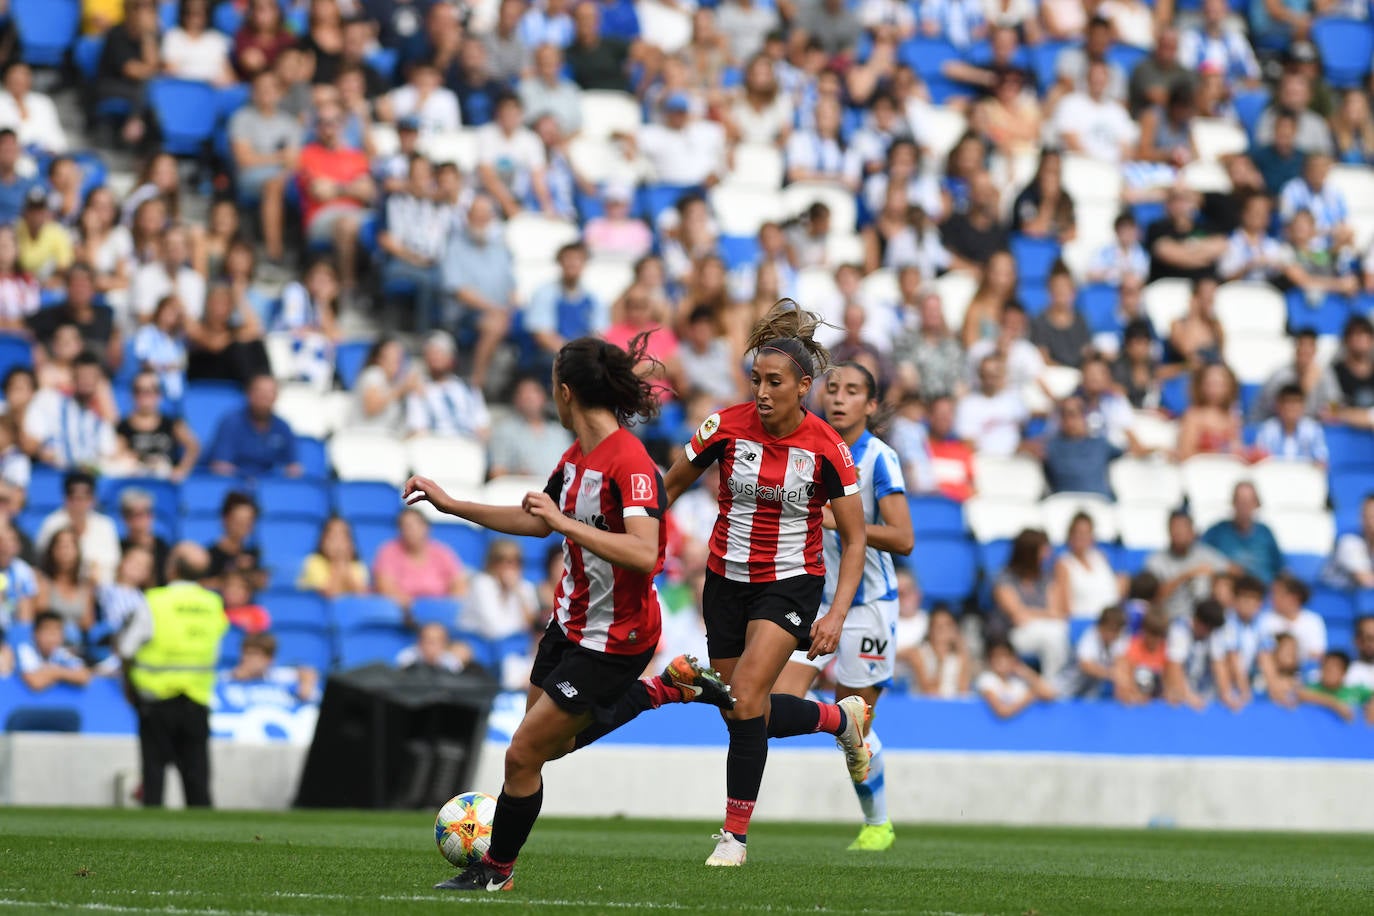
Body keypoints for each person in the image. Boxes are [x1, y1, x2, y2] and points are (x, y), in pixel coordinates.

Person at [403, 333, 733, 893]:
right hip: (570, 624)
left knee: (522, 753)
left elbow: (643, 551)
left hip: (617, 639)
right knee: (544, 749)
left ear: (565, 392)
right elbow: (537, 518)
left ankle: (496, 872)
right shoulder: (576, 457)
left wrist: (566, 526)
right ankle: (667, 688)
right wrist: (452, 504)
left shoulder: (630, 462)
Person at [772, 362, 914, 852]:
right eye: (832, 388)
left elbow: (903, 537)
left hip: (868, 606)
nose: (839, 398)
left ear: (870, 405)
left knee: (858, 730)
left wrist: (840, 521)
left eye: (852, 391)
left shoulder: (879, 458)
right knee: (768, 707)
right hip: (812, 604)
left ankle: (878, 824)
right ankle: (834, 719)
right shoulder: (806, 449)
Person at [116, 542, 228, 808]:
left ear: (172, 568)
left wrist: (130, 685)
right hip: (196, 699)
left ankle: (151, 845)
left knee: (154, 779)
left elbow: (125, 647)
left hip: (157, 701)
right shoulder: (213, 604)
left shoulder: (155, 601)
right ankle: (209, 845)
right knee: (198, 782)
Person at [993, 528, 1069, 679]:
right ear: (1029, 553)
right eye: (1043, 550)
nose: (1047, 554)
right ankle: (1052, 684)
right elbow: (1017, 615)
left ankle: (1052, 682)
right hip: (1014, 634)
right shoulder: (1004, 578)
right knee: (1053, 636)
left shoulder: (1046, 578)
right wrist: (1044, 614)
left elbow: (1057, 613)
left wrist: (1034, 613)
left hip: (1045, 629)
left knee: (1057, 633)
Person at [372, 508, 467, 623]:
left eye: (415, 525)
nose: (411, 530)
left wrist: (445, 609)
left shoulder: (442, 552)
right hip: (404, 616)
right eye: (405, 526)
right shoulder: (388, 551)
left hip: (440, 619)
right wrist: (418, 609)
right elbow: (385, 587)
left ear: (426, 527)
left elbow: (459, 585)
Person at [206, 374, 302, 479]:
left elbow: (293, 467)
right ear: (248, 394)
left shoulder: (283, 427)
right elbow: (220, 466)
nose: (264, 397)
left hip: (270, 488)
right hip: (235, 487)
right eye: (260, 392)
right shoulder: (231, 423)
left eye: (269, 393)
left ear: (276, 396)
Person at [36, 471, 121, 585]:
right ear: (65, 499)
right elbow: (44, 561)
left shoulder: (105, 525)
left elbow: (113, 563)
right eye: (74, 498)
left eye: (84, 498)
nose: (79, 504)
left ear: (93, 500)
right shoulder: (52, 523)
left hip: (99, 590)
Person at [404, 330, 491, 440]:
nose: (435, 358)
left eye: (440, 353)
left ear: (452, 359)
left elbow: (483, 426)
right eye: (431, 354)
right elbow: (418, 428)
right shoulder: (419, 389)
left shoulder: (469, 388)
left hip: (467, 445)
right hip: (433, 446)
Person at [488, 376, 573, 478]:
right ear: (516, 400)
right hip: (520, 490)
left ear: (543, 398)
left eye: (534, 392)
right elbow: (495, 473)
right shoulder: (504, 430)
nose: (529, 397)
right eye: (523, 393)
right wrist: (517, 475)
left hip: (559, 490)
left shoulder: (559, 432)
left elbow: (572, 468)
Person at [1202, 482, 1284, 585]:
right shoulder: (1217, 532)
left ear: (1256, 504)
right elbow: (1199, 554)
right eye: (1240, 501)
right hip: (1229, 593)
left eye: (1248, 502)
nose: (1244, 507)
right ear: (1233, 503)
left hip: (1263, 593)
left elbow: (1280, 568)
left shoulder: (1265, 533)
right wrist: (1224, 566)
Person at [204, 491, 267, 594]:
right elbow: (200, 585)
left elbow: (262, 583)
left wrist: (248, 575)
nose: (243, 528)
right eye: (239, 522)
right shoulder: (208, 555)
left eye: (248, 523)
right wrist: (231, 574)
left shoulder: (252, 553)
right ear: (225, 520)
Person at [976, 638, 1057, 718]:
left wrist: (1026, 672)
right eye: (996, 657)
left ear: (1013, 658)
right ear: (989, 660)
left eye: (1006, 656)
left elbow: (1050, 694)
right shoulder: (986, 679)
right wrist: (1029, 696)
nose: (1002, 661)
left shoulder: (1018, 681)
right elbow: (1002, 711)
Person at [17, 610, 90, 692]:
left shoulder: (60, 652)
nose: (52, 638)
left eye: (56, 632)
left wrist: (54, 672)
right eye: (48, 632)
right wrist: (64, 674)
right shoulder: (25, 650)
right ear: (35, 634)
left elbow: (84, 676)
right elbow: (35, 682)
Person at [297, 516, 370, 597]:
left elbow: (362, 597)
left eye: (343, 537)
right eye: (332, 537)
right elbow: (330, 596)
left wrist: (345, 567)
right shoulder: (314, 563)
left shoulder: (358, 566)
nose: (338, 543)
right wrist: (338, 562)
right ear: (322, 542)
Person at [1296, 651, 1372, 723]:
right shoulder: (1314, 687)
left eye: (1334, 668)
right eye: (1326, 666)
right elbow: (1300, 694)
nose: (1329, 671)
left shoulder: (1355, 691)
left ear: (1344, 672)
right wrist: (1335, 705)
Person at [1323, 496, 1374, 590]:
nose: (1370, 522)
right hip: (1332, 599)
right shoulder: (1348, 542)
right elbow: (1367, 581)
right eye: (1366, 516)